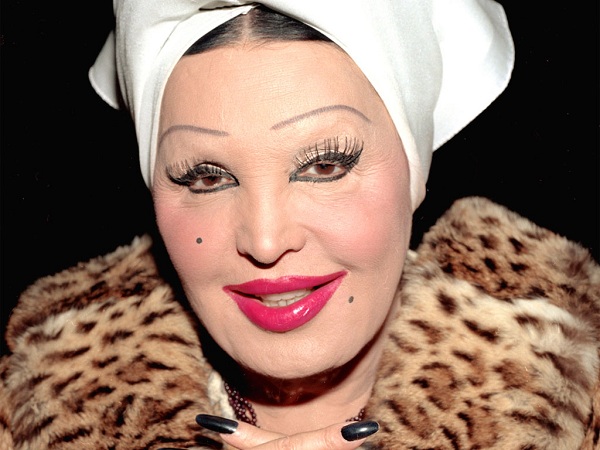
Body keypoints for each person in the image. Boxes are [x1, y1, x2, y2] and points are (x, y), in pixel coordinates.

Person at [0, 1, 598, 449]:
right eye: (206, 177)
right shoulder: (34, 407)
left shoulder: (579, 394)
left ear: (415, 171)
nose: (265, 241)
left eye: (324, 165)